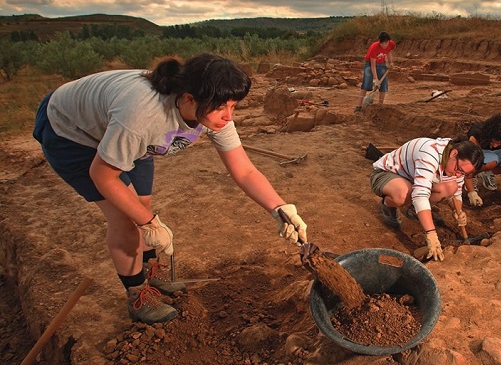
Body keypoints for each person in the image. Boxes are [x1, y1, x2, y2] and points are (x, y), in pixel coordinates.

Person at [32, 53, 309, 324]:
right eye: (221, 106)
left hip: (119, 131)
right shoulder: (143, 116)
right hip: (70, 131)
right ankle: (138, 294)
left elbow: (244, 170)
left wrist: (279, 208)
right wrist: (148, 223)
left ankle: (151, 270)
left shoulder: (209, 111)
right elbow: (102, 175)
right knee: (128, 219)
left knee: (142, 205)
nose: (228, 116)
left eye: (233, 106)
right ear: (189, 98)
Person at [371, 137, 484, 261]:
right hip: (387, 175)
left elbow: (456, 192)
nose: (458, 174)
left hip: (413, 178)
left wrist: (458, 211)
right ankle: (387, 205)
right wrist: (431, 234)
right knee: (404, 194)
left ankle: (414, 209)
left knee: (451, 186)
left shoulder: (455, 164)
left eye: (463, 174)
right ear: (454, 153)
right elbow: (420, 195)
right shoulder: (429, 154)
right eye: (459, 170)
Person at [355, 31, 396, 112]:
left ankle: (381, 106)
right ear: (379, 42)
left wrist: (390, 62)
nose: (385, 45)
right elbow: (373, 66)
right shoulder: (374, 47)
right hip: (369, 64)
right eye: (382, 43)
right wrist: (376, 80)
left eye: (386, 43)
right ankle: (359, 106)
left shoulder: (391, 44)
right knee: (366, 84)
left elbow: (388, 52)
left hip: (382, 63)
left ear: (388, 41)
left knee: (383, 85)